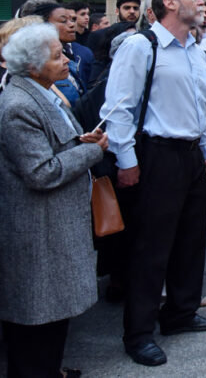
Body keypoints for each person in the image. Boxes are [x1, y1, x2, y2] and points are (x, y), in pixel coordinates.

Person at [101, 0, 206, 367]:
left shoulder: (196, 50)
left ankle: (180, 313)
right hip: (156, 155)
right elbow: (118, 107)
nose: (200, 2)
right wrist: (127, 160)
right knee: (151, 247)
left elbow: (199, 110)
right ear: (169, 2)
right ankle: (138, 333)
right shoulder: (142, 46)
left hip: (191, 155)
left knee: (191, 240)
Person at [0, 23, 107, 378]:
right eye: (57, 56)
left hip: (54, 227)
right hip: (39, 231)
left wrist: (81, 142)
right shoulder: (18, 105)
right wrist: (91, 152)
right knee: (36, 325)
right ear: (33, 66)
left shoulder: (42, 92)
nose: (66, 61)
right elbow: (41, 171)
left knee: (52, 320)